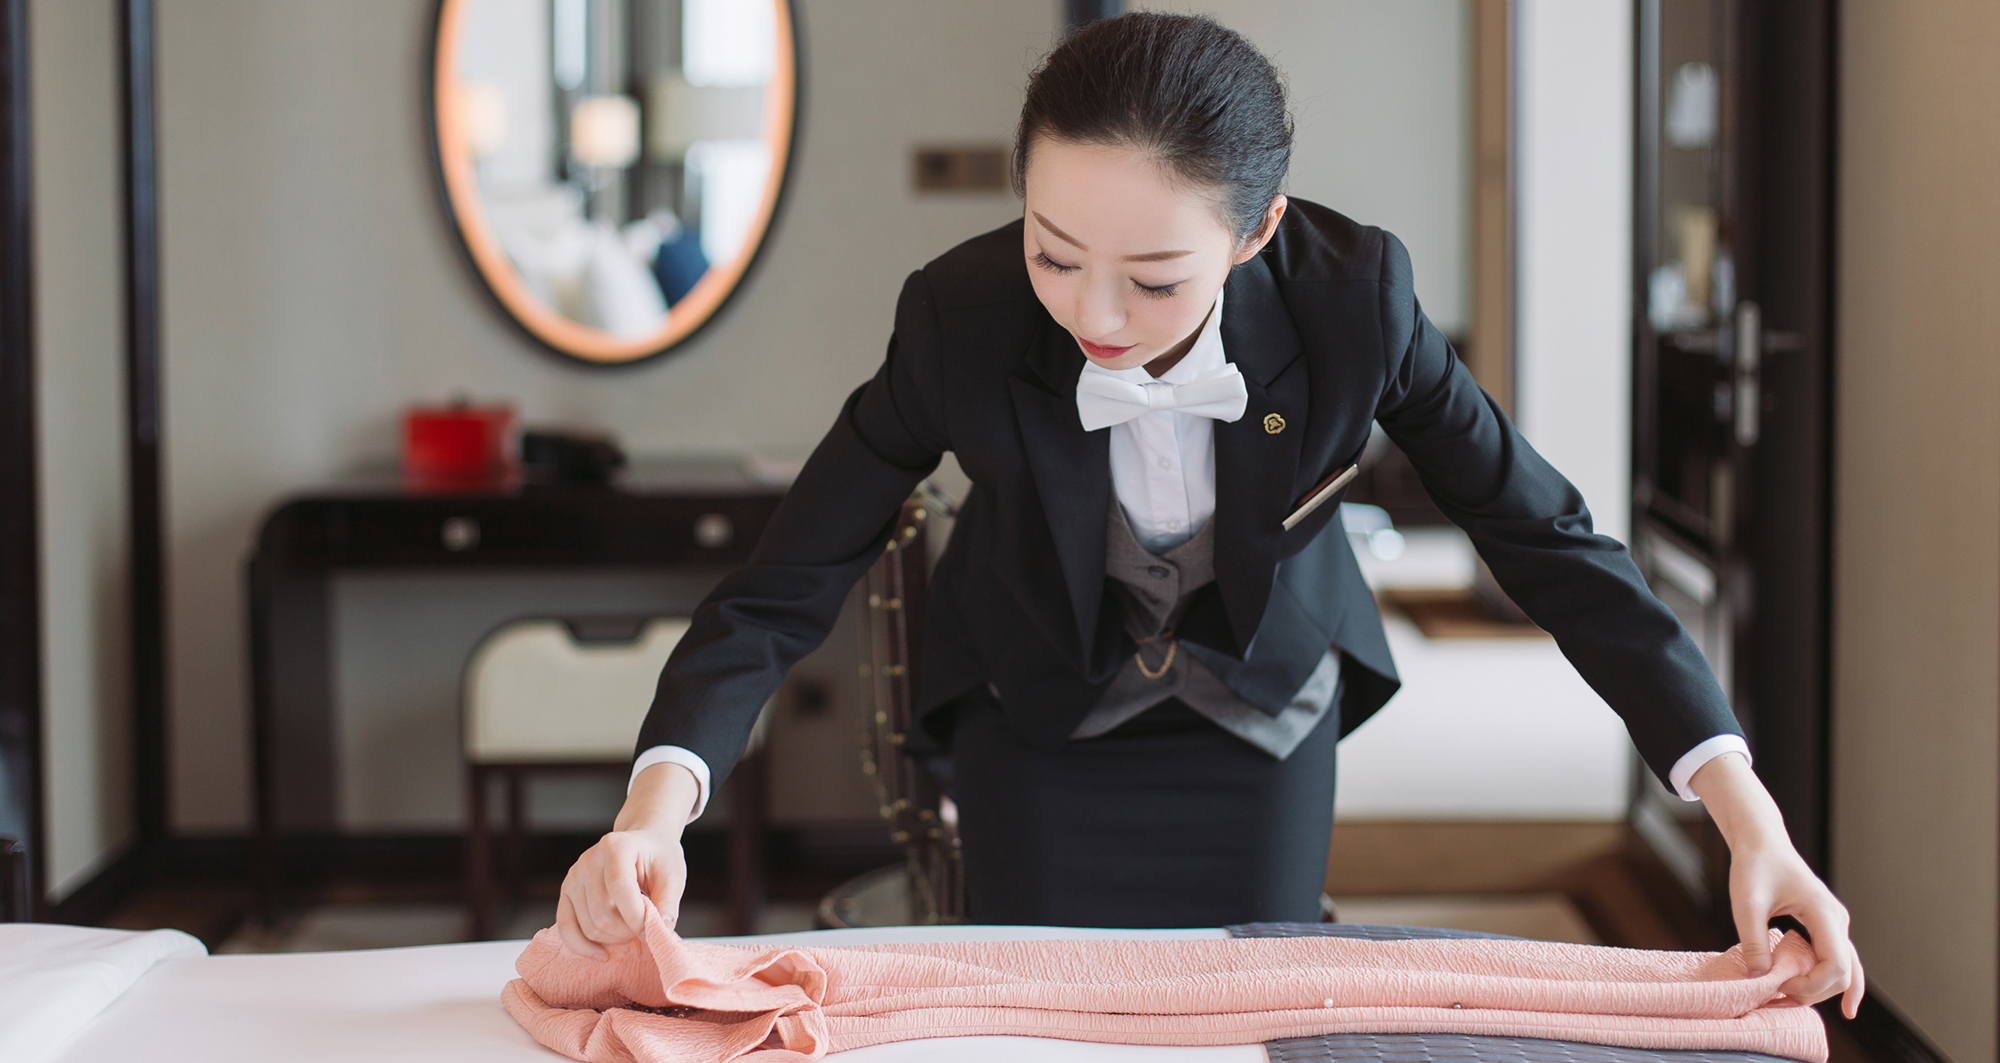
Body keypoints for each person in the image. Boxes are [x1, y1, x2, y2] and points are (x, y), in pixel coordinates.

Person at [556, 12, 1863, 1017]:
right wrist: (652, 811)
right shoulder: (956, 319)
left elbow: (1550, 544)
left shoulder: (1358, 306)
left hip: (1264, 711)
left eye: (1155, 278)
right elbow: (788, 581)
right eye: (1053, 252)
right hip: (1035, 715)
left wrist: (1752, 823)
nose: (1095, 318)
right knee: (1041, 1022)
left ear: (1258, 233)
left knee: (1255, 1014)